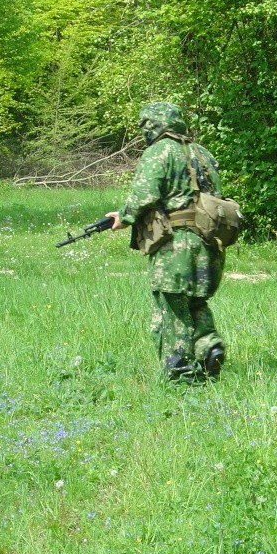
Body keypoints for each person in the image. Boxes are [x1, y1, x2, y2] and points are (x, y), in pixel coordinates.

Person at [106, 102, 227, 382]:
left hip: (177, 245)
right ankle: (210, 348)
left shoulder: (159, 152)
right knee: (195, 303)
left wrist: (123, 217)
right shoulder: (203, 153)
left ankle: (180, 374)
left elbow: (145, 195)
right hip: (209, 242)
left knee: (171, 309)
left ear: (154, 126)